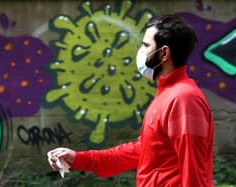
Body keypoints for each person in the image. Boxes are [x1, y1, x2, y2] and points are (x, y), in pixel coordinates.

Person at [47, 14, 214, 187]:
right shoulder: (169, 94)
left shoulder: (183, 100)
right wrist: (79, 159)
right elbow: (143, 150)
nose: (140, 51)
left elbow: (194, 173)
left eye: (145, 45)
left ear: (164, 53)